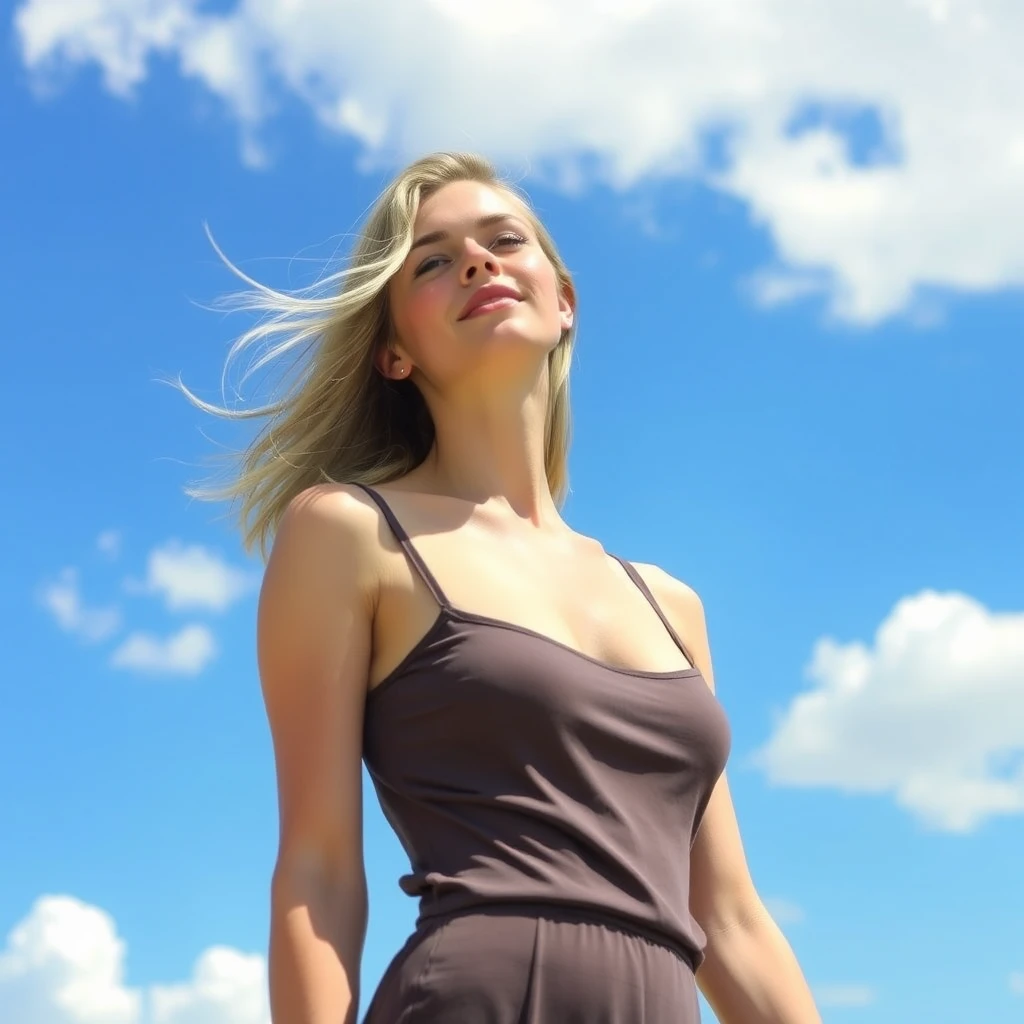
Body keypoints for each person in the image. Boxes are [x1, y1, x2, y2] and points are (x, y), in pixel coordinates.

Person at [183, 151, 822, 1022]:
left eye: (504, 239)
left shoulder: (671, 605)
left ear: (564, 302)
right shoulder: (350, 532)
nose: (479, 263)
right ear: (394, 352)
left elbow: (731, 920)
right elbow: (320, 871)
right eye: (433, 261)